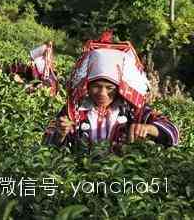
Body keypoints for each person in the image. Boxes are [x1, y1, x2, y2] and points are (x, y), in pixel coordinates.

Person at [44, 32, 178, 151]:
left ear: (120, 88)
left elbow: (173, 132)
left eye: (109, 88)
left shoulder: (133, 110)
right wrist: (60, 135)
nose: (102, 93)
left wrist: (149, 129)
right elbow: (46, 144)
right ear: (87, 86)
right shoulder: (73, 110)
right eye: (96, 86)